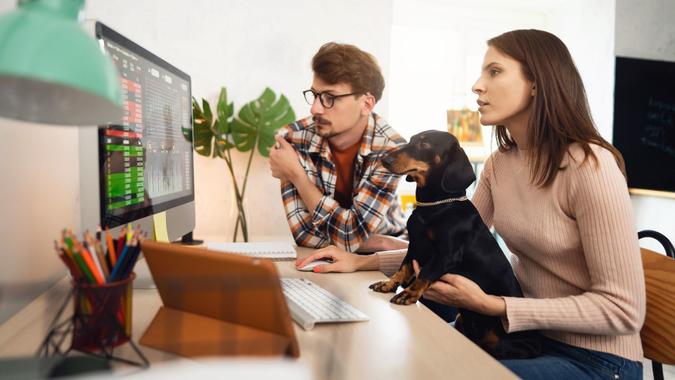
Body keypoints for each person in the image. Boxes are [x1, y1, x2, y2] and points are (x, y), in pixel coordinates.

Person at [299, 30, 646, 379]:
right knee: (403, 362)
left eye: (494, 72)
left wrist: (493, 305)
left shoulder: (590, 167)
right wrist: (362, 262)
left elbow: (624, 310)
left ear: (537, 83)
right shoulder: (501, 164)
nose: (477, 86)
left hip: (597, 362)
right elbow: (455, 243)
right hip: (524, 340)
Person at [269, 42, 409, 254]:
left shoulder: (391, 149)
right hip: (366, 250)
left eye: (329, 98)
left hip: (390, 257)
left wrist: (297, 176)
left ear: (367, 104)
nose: (315, 108)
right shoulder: (292, 140)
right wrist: (378, 242)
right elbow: (304, 235)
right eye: (315, 95)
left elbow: (350, 235)